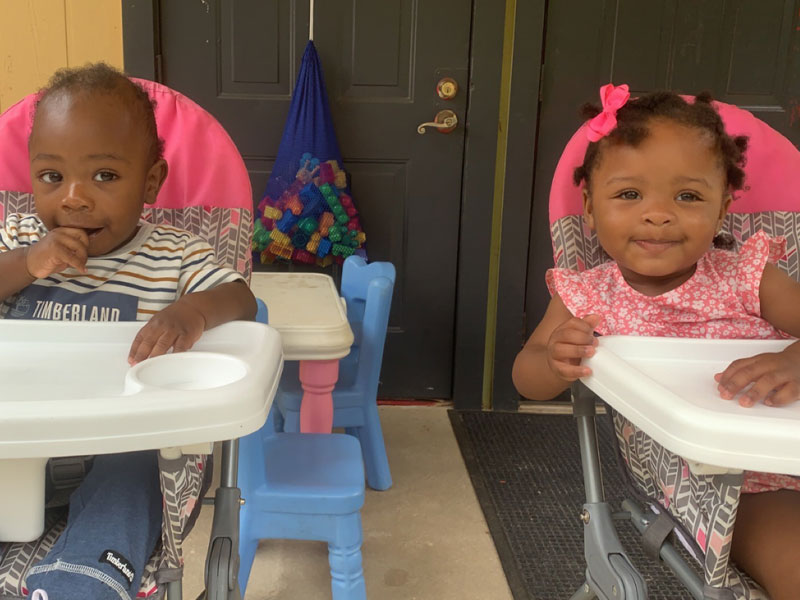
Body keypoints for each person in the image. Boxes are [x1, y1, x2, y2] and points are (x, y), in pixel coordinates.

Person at [512, 86, 800, 600]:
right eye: (629, 195)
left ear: (723, 208)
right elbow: (527, 374)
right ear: (590, 208)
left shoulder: (750, 276)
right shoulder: (589, 293)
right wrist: (555, 361)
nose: (658, 214)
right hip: (735, 486)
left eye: (687, 196)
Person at [0, 63, 256, 599]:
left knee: (142, 468)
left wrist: (191, 313)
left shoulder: (176, 254)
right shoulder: (20, 238)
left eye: (105, 177)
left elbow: (241, 297)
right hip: (15, 449)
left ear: (151, 182)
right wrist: (27, 262)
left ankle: (80, 582)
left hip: (119, 449)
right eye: (51, 177)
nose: (73, 198)